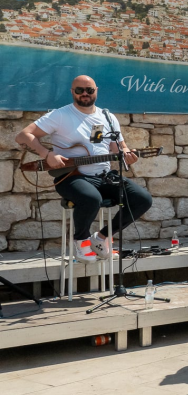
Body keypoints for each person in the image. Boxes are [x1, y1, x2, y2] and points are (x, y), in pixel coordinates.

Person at [16, 75, 152, 263]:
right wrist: (47, 155)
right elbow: (24, 135)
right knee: (91, 198)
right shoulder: (60, 115)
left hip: (103, 175)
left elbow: (119, 147)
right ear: (72, 92)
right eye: (79, 90)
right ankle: (81, 242)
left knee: (142, 199)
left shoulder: (107, 117)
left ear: (97, 90)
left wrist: (128, 155)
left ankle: (101, 238)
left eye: (89, 90)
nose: (85, 94)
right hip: (70, 176)